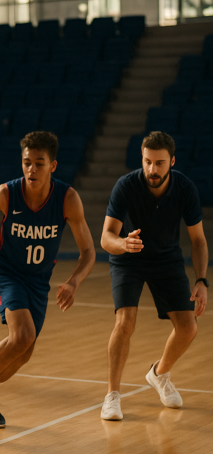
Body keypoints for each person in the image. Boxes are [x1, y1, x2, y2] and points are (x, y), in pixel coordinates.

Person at [0, 131, 95, 435]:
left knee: (24, 352)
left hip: (39, 280)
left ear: (52, 166)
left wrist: (73, 282)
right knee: (22, 334)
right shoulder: (7, 193)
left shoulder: (67, 199)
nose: (31, 169)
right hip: (7, 272)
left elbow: (89, 252)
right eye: (27, 162)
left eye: (39, 163)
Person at [99, 131, 207, 421]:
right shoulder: (126, 185)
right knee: (125, 322)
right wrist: (124, 244)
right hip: (129, 258)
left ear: (172, 161)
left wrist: (201, 280)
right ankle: (112, 395)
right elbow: (106, 237)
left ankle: (159, 374)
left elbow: (198, 240)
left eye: (160, 163)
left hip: (166, 259)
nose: (152, 169)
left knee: (188, 327)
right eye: (147, 162)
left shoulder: (184, 188)